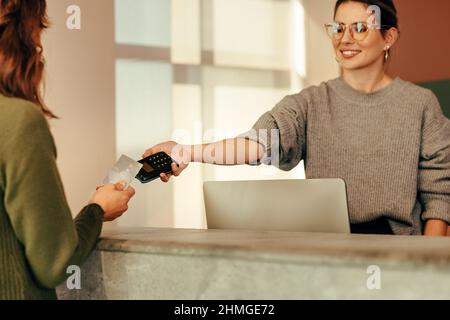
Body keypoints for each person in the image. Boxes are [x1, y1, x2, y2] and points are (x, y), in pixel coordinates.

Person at [143, 0, 450, 237]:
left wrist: (424, 265)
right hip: (326, 253)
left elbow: (439, 195)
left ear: (388, 37)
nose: (345, 39)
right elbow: (256, 144)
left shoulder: (420, 104)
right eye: (338, 28)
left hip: (397, 258)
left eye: (360, 28)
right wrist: (184, 151)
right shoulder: (309, 103)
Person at [0, 0, 135, 299]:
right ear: (24, 33)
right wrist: (97, 210)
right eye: (39, 29)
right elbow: (55, 262)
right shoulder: (18, 121)